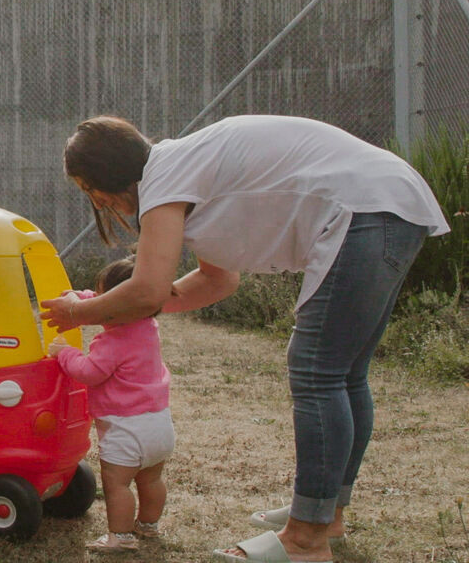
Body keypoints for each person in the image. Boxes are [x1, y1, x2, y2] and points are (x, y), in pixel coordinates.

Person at [38, 115, 449, 563]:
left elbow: (148, 289)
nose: (97, 201)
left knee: (317, 372)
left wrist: (81, 312)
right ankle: (325, 515)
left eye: (89, 190)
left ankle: (306, 540)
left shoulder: (162, 176)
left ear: (101, 180)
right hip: (387, 201)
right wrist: (125, 313)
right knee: (344, 375)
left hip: (364, 209)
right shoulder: (183, 174)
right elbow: (217, 281)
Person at [47, 255, 174, 553]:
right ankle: (148, 525)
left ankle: (121, 536)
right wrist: (78, 299)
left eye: (104, 297)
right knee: (151, 478)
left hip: (126, 427)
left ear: (118, 306)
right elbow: (109, 303)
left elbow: (89, 373)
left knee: (117, 483)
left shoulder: (113, 342)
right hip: (159, 424)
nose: (98, 302)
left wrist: (64, 354)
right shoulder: (147, 325)